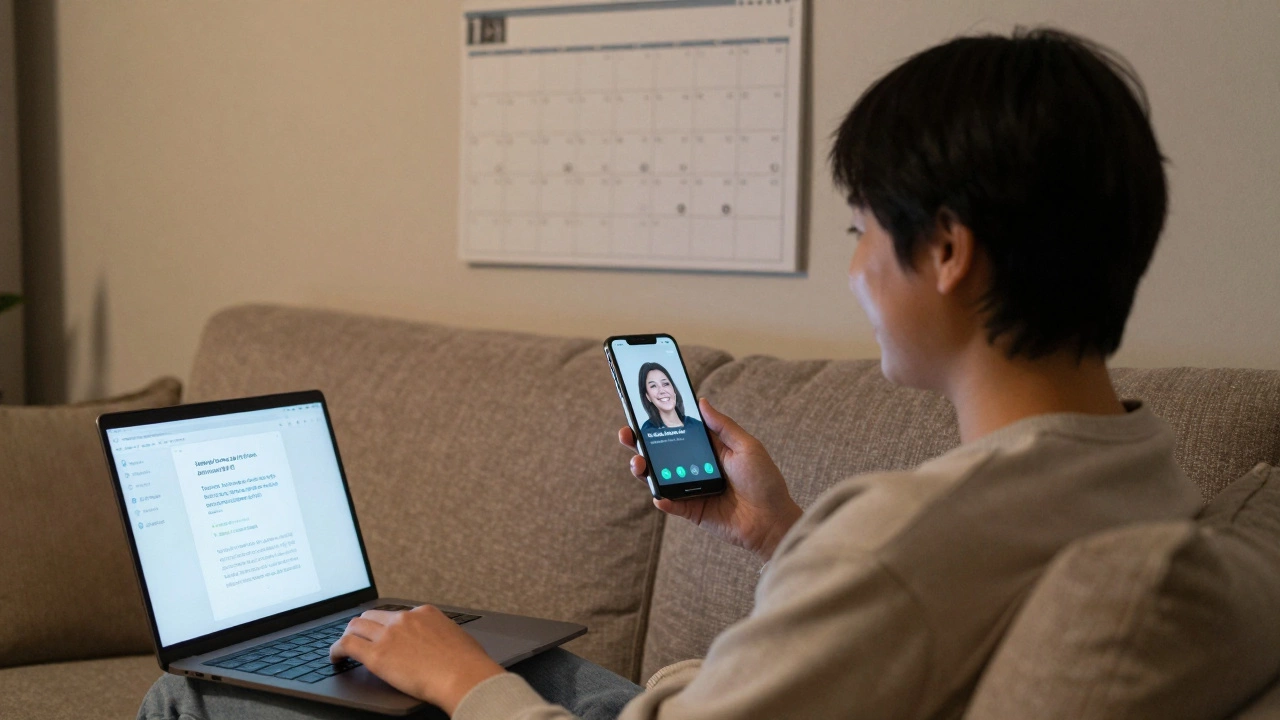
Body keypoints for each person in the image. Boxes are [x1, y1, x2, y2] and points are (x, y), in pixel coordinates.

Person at [138, 27, 1200, 720]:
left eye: (861, 229)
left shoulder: (899, 536)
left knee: (187, 701)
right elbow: (916, 620)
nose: (853, 268)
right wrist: (777, 532)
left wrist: (466, 686)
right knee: (483, 664)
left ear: (946, 252)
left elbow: (902, 580)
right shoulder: (1142, 467)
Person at [637, 362, 706, 437]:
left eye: (665, 384)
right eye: (653, 386)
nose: (662, 391)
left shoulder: (697, 425)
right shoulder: (648, 431)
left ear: (674, 390)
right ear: (648, 396)